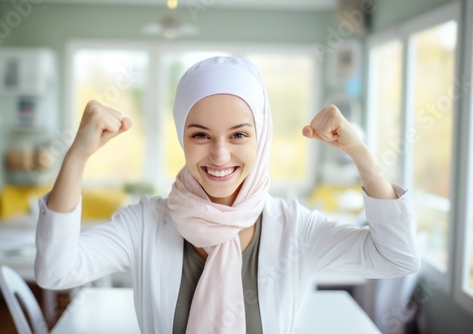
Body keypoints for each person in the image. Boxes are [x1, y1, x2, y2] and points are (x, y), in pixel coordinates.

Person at [35, 56, 420, 333]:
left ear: (261, 138)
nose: (220, 155)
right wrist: (77, 156)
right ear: (181, 138)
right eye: (200, 134)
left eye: (239, 134)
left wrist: (361, 153)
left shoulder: (293, 227)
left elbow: (398, 257)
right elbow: (56, 270)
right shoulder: (145, 223)